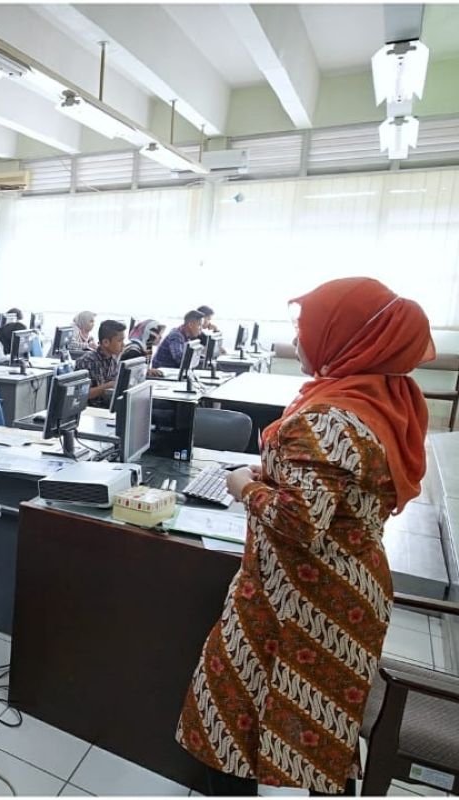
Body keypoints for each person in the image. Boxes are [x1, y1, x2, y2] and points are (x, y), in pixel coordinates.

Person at [177, 278, 435, 796]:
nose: (298, 340)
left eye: (306, 329)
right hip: (345, 590)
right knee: (319, 728)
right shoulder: (381, 398)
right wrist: (276, 473)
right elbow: (337, 490)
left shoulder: (325, 419)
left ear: (345, 336)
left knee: (225, 714)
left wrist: (243, 485)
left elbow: (299, 522)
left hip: (298, 595)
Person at [74, 320, 126, 408]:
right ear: (106, 342)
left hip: (108, 407)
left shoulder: (113, 358)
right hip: (90, 411)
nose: (123, 345)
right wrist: (106, 387)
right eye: (119, 341)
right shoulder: (88, 361)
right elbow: (79, 395)